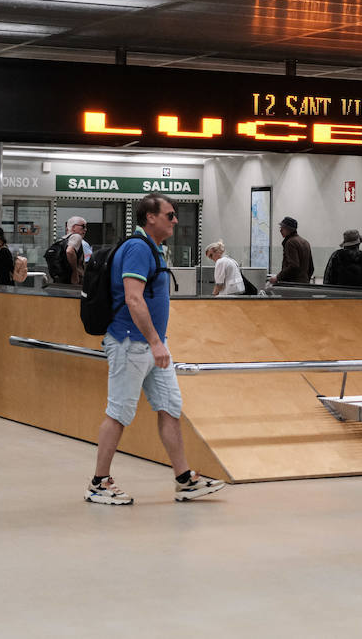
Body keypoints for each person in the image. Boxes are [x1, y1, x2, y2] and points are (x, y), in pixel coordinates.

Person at [87, 194, 225, 505]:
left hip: (152, 345)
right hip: (130, 342)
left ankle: (183, 479)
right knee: (119, 412)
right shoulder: (138, 248)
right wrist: (154, 341)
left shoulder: (154, 249)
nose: (175, 220)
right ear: (150, 217)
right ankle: (98, 482)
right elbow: (133, 298)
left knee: (169, 407)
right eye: (170, 215)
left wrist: (157, 343)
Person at [268, 217, 313, 285]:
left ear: (288, 229)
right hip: (304, 284)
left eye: (282, 228)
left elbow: (293, 266)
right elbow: (311, 268)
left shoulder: (290, 242)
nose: (280, 230)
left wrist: (277, 277)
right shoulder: (306, 242)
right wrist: (305, 281)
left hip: (292, 285)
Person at [65, 216, 88, 286]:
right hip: (76, 281)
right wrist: (75, 272)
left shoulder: (63, 239)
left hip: (64, 280)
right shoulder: (77, 237)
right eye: (83, 226)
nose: (85, 229)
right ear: (74, 227)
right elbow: (69, 251)